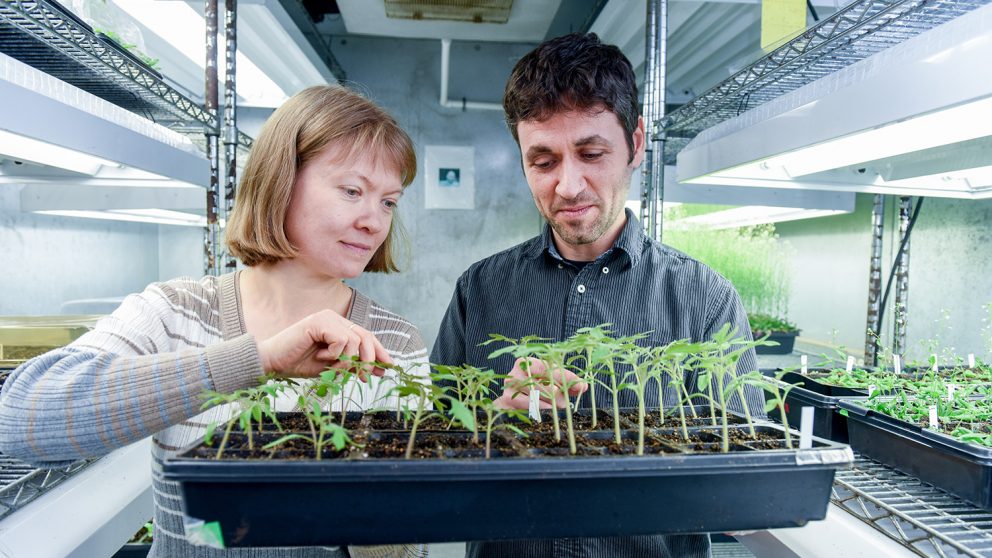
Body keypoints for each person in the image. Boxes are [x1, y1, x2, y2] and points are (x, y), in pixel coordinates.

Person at [0, 85, 429, 558]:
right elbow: (24, 421)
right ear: (281, 181)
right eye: (352, 191)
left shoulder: (393, 342)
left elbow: (400, 540)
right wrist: (256, 359)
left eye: (389, 201)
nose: (375, 221)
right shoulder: (175, 312)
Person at [431, 33, 765, 558]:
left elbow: (745, 481)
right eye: (543, 162)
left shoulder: (704, 299)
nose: (568, 185)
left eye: (591, 153)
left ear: (635, 143)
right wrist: (494, 424)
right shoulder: (481, 290)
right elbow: (427, 452)